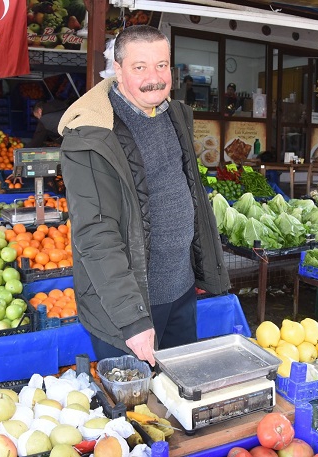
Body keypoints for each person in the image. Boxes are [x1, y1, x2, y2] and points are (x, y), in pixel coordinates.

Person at [57, 25, 230, 365]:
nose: (154, 77)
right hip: (129, 308)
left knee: (177, 399)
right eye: (140, 67)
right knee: (137, 412)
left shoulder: (174, 113)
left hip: (181, 292)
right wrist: (132, 319)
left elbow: (189, 191)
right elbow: (96, 233)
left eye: (162, 65)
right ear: (118, 69)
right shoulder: (90, 135)